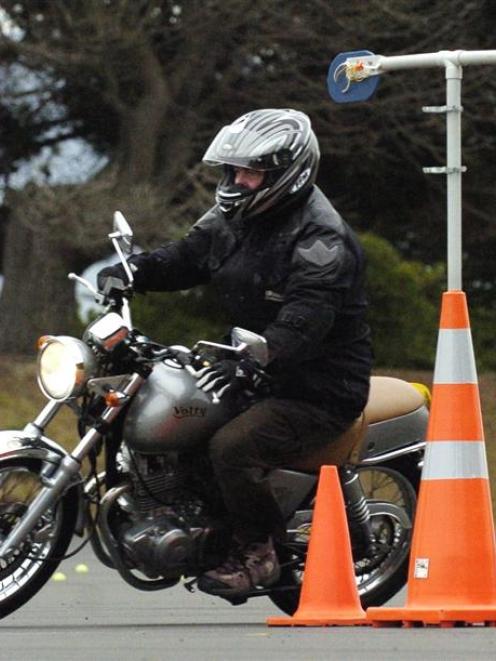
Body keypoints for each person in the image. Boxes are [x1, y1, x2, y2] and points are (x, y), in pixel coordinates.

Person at [98, 108, 373, 598]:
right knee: (180, 415)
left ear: (287, 174)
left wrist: (254, 361)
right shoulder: (237, 215)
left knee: (232, 446)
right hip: (255, 367)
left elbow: (303, 323)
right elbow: (189, 256)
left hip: (316, 388)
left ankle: (258, 549)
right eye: (234, 171)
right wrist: (135, 272)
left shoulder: (321, 241)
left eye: (250, 173)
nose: (238, 181)